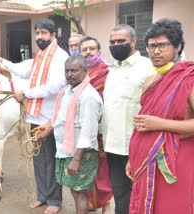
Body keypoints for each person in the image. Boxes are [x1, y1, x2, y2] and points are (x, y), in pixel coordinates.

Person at [0, 18, 68, 214]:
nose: (40, 37)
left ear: (53, 35)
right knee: (37, 158)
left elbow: (55, 86)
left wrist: (27, 94)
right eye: (37, 33)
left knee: (52, 160)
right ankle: (42, 196)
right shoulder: (40, 56)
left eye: (44, 33)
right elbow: (22, 69)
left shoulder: (59, 57)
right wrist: (1, 61)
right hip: (34, 117)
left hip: (50, 119)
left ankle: (54, 200)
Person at [126, 18, 194, 214]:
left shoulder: (189, 78)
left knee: (172, 208)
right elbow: (143, 125)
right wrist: (133, 157)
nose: (155, 51)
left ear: (178, 47)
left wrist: (160, 124)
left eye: (162, 45)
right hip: (146, 159)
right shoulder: (150, 81)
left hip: (177, 159)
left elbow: (153, 123)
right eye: (151, 46)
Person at [37, 55, 102, 214]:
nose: (69, 74)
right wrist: (47, 132)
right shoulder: (68, 91)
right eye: (67, 71)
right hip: (68, 150)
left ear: (84, 71)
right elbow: (60, 118)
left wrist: (76, 159)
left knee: (79, 192)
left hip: (80, 153)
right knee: (75, 190)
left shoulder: (88, 96)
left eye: (74, 70)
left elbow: (89, 131)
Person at [101, 24, 154, 214]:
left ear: (133, 41)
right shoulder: (112, 69)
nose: (116, 45)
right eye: (112, 42)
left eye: (121, 41)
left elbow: (153, 108)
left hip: (137, 145)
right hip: (113, 145)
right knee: (120, 193)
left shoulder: (147, 67)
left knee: (139, 193)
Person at [79, 36, 112, 214]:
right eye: (84, 49)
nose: (88, 52)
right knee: (85, 168)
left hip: (103, 128)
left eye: (92, 48)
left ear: (99, 51)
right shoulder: (77, 72)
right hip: (83, 129)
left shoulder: (109, 72)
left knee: (103, 171)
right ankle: (91, 203)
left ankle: (106, 205)